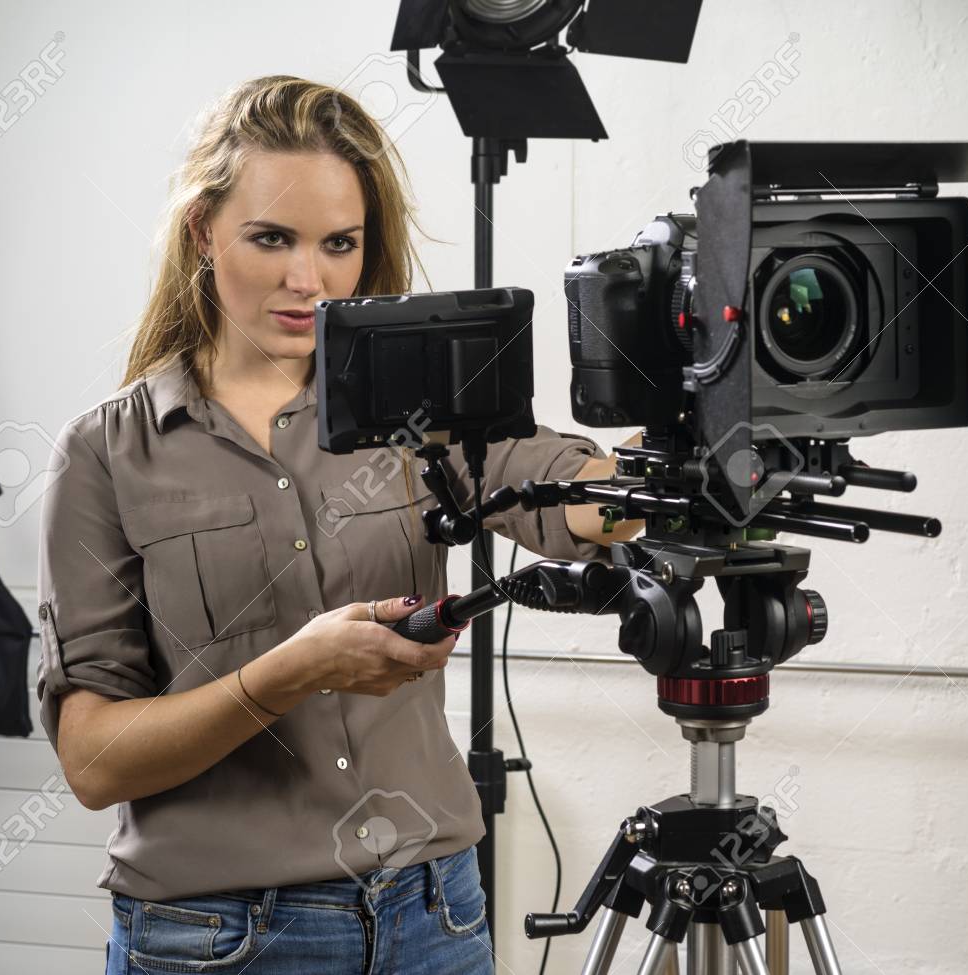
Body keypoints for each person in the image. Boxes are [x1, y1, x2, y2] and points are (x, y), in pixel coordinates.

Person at [34, 75, 642, 975]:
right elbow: (93, 762)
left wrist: (674, 452)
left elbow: (560, 490)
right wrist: (287, 674)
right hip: (219, 939)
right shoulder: (106, 453)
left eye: (338, 244)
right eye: (271, 238)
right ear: (204, 230)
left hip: (436, 914)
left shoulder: (423, 409)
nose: (306, 280)